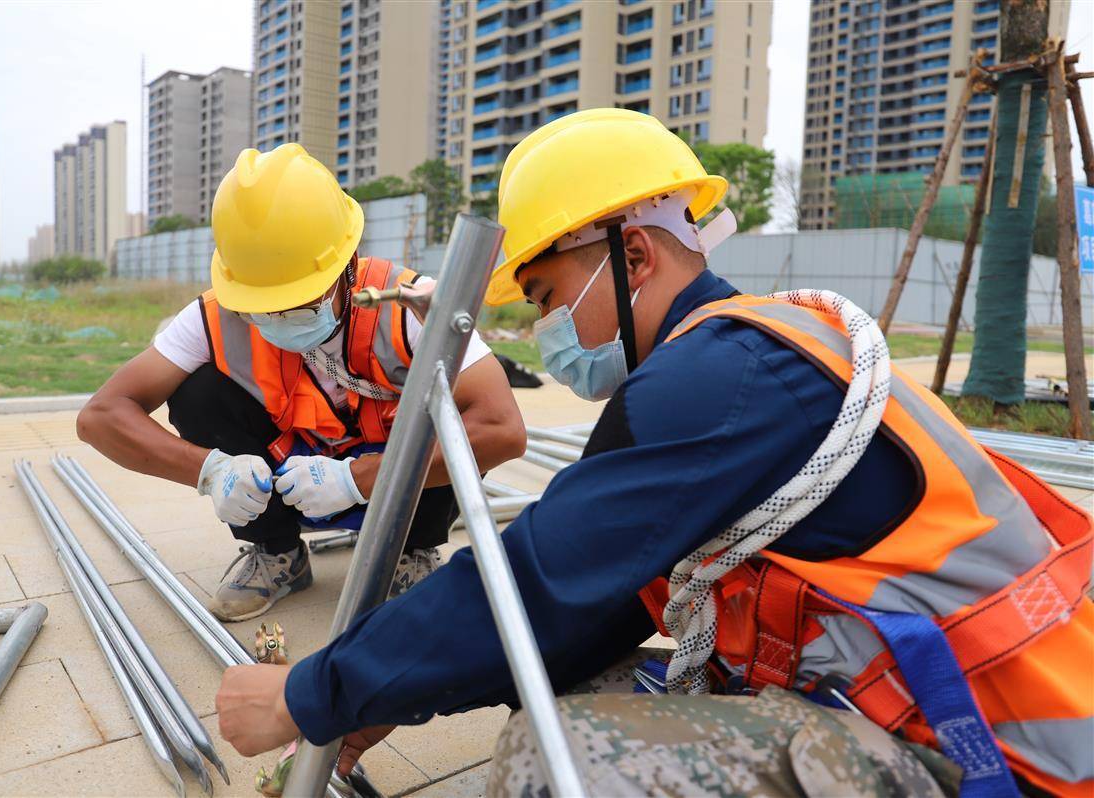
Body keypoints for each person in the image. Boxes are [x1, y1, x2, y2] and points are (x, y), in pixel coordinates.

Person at [215, 110, 1093, 795]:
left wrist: (314, 692)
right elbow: (595, 604)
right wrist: (390, 691)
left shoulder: (722, 376)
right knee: (556, 680)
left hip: (997, 760)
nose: (543, 330)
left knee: (564, 757)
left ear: (631, 255)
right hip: (955, 719)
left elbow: (540, 581)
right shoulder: (752, 350)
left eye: (548, 294)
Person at [78, 143, 526, 621]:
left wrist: (358, 478)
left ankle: (409, 552)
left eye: (298, 300)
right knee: (197, 394)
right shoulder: (215, 315)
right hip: (283, 479)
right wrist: (208, 470)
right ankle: (278, 555)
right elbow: (102, 417)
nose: (277, 317)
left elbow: (502, 429)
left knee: (453, 409)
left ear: (346, 268)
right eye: (261, 304)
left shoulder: (412, 305)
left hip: (395, 480)